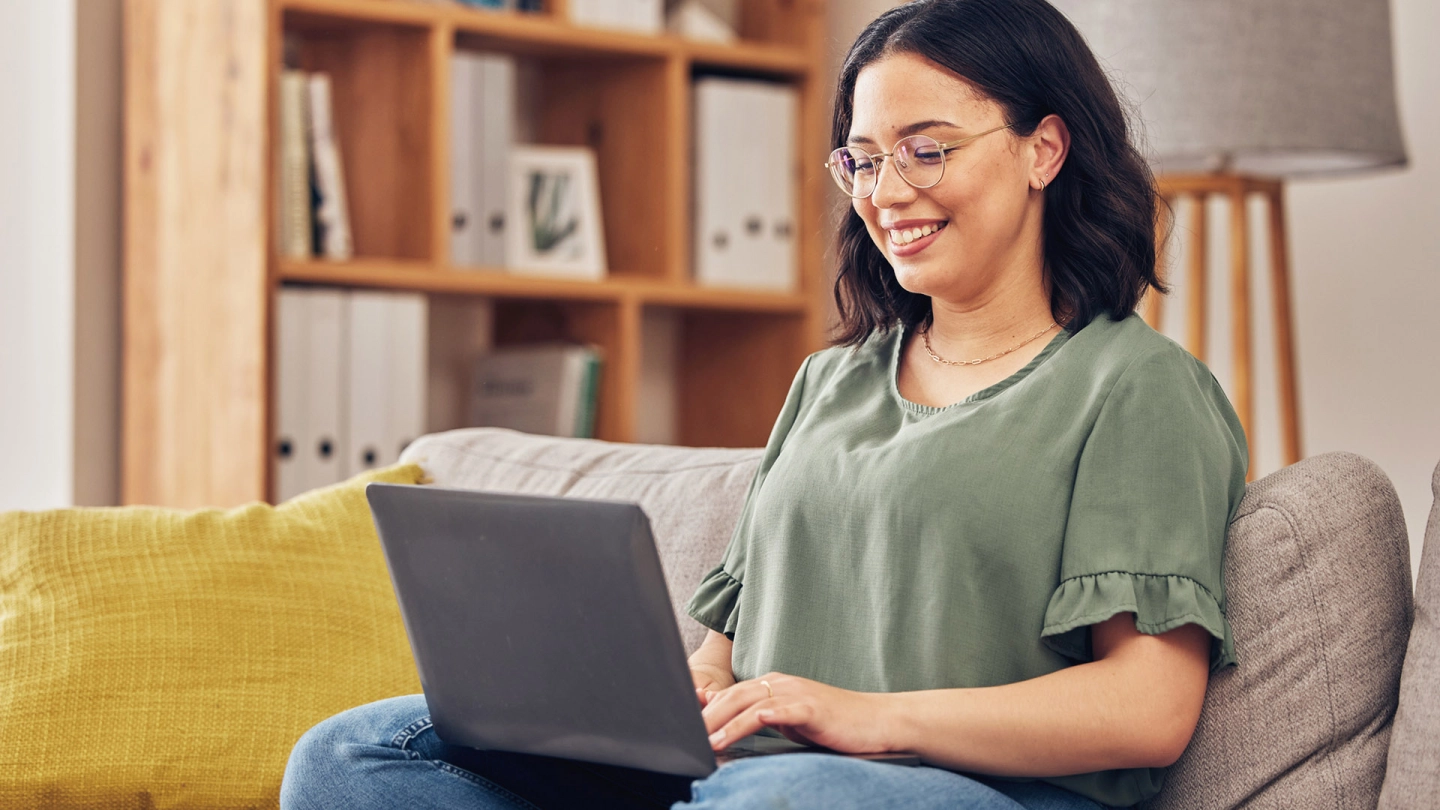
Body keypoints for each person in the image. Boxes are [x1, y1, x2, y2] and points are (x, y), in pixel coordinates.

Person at [280, 0, 1248, 807]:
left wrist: (868, 719)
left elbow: (1149, 705)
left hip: (952, 788)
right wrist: (668, 711)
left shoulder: (1136, 388)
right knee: (351, 759)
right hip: (746, 780)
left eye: (926, 150)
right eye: (862, 161)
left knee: (775, 801)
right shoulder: (832, 383)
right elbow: (724, 655)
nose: (885, 192)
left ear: (1045, 150)